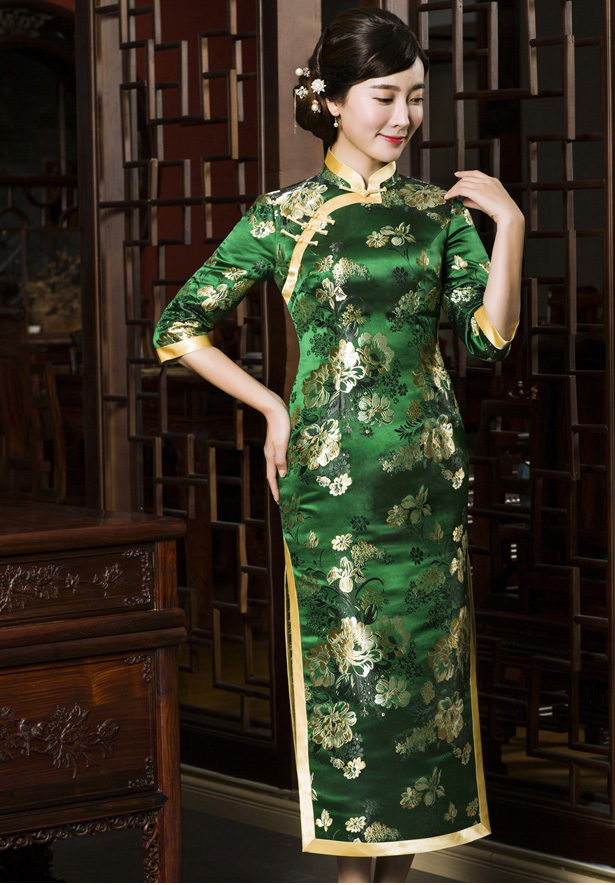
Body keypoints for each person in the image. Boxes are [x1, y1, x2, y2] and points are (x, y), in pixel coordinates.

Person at [153, 8, 523, 882]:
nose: (404, 117)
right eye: (384, 97)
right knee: (355, 687)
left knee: (424, 692)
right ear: (329, 100)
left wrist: (508, 226)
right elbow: (179, 327)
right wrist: (272, 408)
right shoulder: (284, 216)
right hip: (335, 487)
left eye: (417, 98)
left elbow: (488, 339)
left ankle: (395, 875)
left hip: (430, 482)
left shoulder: (440, 213)